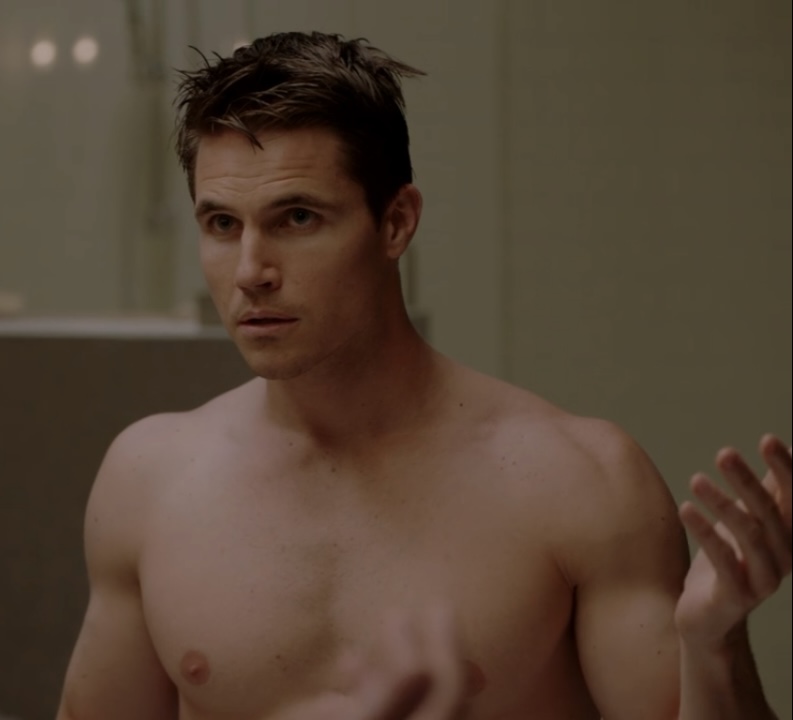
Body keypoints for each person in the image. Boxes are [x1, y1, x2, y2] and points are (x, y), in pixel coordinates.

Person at [56, 31, 791, 720]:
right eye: (222, 224)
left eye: (297, 218)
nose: (251, 271)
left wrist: (714, 643)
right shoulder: (148, 482)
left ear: (396, 223)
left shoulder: (580, 482)